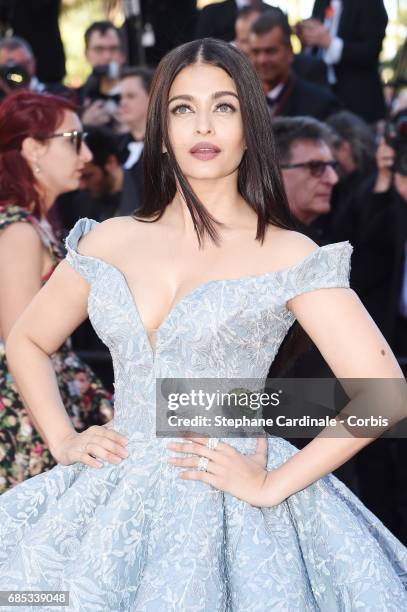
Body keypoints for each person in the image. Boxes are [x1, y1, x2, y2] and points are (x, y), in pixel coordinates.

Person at [1, 39, 407, 609]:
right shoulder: (109, 240)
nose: (202, 126)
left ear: (250, 124)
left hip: (235, 499)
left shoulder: (288, 254)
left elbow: (384, 395)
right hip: (111, 492)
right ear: (161, 127)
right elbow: (26, 339)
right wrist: (64, 440)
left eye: (224, 106)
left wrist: (269, 485)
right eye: (182, 108)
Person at [0, 91, 114, 494]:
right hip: (27, 421)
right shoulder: (17, 231)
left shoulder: (33, 224)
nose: (86, 156)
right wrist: (60, 436)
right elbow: (21, 341)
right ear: (33, 149)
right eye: (73, 140)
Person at [297, 0, 388, 123]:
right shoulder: (321, 2)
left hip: (358, 101)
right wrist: (306, 35)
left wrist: (329, 43)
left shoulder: (370, 3)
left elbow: (370, 51)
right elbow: (314, 49)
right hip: (321, 96)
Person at [249, 11, 341, 119]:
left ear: (290, 52)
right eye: (256, 52)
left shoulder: (321, 106)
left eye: (270, 51)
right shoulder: (239, 100)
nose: (262, 60)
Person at [116, 66, 154, 216]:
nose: (122, 103)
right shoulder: (116, 146)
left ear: (153, 96)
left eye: (130, 96)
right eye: (121, 97)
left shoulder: (169, 147)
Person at [78, 21, 126, 129]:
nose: (107, 56)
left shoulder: (140, 93)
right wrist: (84, 124)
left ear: (123, 55)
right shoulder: (76, 99)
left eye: (113, 49)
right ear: (86, 55)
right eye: (99, 49)